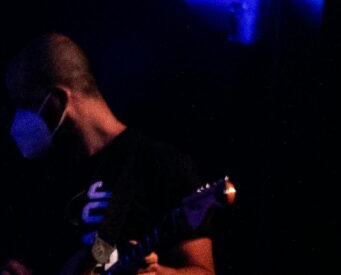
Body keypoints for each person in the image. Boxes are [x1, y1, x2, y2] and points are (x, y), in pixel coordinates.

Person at [2, 36, 214, 275]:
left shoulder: (158, 163)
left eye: (24, 103)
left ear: (56, 100)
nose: (17, 119)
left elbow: (204, 271)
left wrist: (160, 273)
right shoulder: (47, 179)